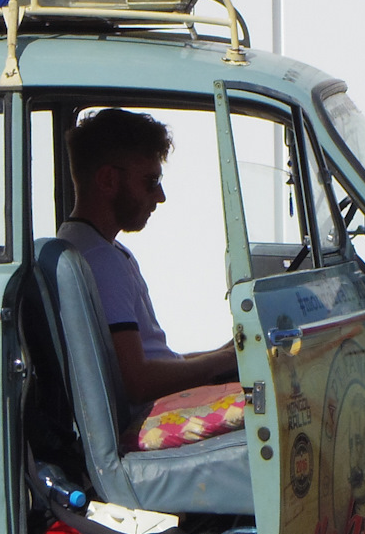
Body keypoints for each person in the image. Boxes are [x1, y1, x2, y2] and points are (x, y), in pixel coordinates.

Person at [56, 108, 237, 404]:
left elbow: (159, 361)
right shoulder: (100, 260)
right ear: (108, 180)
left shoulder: (92, 246)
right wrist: (225, 360)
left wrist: (227, 354)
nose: (160, 196)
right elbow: (138, 382)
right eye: (150, 182)